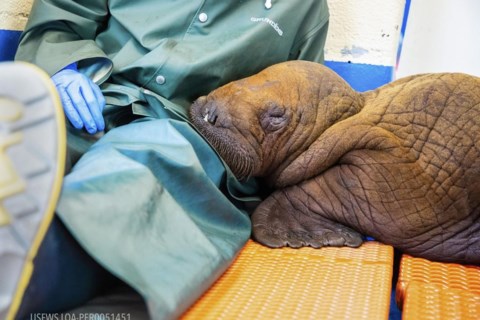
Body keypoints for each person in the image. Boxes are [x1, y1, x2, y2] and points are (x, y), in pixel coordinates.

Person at [3, 0, 329, 318]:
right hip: (95, 95)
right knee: (28, 132)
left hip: (190, 130)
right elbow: (63, 14)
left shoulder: (303, 8)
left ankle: (39, 268)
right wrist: (64, 68)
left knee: (134, 168)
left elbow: (306, 112)